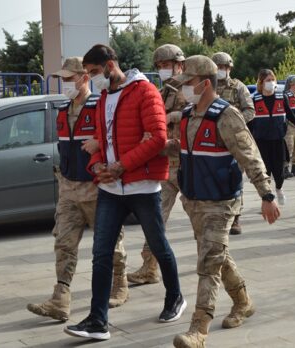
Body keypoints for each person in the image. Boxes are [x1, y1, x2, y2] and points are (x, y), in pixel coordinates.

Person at [63, 44, 185, 341]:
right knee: (101, 253)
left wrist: (120, 165)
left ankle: (175, 297)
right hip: (110, 187)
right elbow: (100, 140)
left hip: (142, 185)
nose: (93, 78)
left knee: (158, 245)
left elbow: (157, 138)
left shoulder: (144, 91)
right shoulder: (104, 97)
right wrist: (97, 168)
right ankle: (97, 320)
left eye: (94, 72)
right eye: (89, 74)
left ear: (111, 64)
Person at [171, 55, 281, 348]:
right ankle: (243, 301)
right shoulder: (188, 115)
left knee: (208, 262)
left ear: (205, 84)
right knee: (217, 256)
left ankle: (199, 329)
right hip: (194, 199)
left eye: (188, 83)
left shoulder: (227, 116)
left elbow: (251, 156)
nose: (183, 88)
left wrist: (267, 195)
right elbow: (180, 149)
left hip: (221, 202)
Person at [26, 57, 130, 322]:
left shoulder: (100, 106)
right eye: (63, 79)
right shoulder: (62, 110)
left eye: (70, 79)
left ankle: (120, 284)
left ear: (85, 78)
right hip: (69, 189)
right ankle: (60, 299)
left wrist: (100, 142)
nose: (65, 84)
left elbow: (118, 136)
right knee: (63, 243)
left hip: (97, 189)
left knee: (109, 243)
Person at [126, 44, 187, 286]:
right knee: (156, 218)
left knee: (203, 222)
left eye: (167, 65)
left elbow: (201, 112)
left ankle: (218, 265)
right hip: (167, 163)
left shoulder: (190, 88)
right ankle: (149, 266)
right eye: (160, 66)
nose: (164, 70)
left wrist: (177, 116)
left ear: (179, 64)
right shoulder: (162, 92)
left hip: (188, 162)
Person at [212, 51, 255, 235]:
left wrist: (233, 125)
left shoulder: (238, 87)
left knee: (235, 178)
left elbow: (250, 111)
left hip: (234, 141)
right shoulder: (208, 87)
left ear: (229, 68)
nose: (221, 71)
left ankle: (236, 217)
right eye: (217, 68)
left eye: (223, 67)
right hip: (212, 141)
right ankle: (218, 216)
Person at [249, 69, 295, 205]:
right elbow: (248, 122)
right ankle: (267, 198)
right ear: (261, 82)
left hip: (278, 140)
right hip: (261, 142)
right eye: (267, 80)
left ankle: (279, 189)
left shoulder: (281, 97)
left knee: (279, 172)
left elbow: (290, 115)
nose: (271, 83)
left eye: (273, 80)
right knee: (265, 172)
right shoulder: (254, 99)